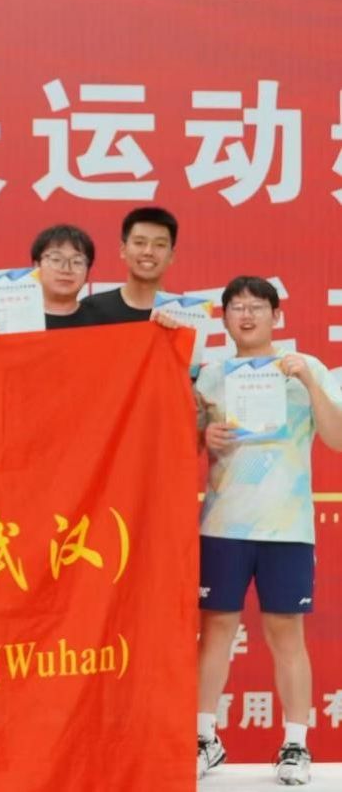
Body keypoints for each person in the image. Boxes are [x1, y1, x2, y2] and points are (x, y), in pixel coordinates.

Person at [193, 276, 342, 786]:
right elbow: (183, 440)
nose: (247, 315)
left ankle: (296, 744)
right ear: (224, 317)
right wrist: (204, 434)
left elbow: (337, 439)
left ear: (276, 315)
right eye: (237, 307)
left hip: (287, 526)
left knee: (285, 633)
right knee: (216, 628)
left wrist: (309, 383)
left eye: (257, 306)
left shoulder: (305, 367)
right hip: (223, 523)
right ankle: (204, 739)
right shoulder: (211, 376)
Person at [80, 206, 176, 324]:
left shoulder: (185, 314)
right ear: (123, 250)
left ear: (171, 255)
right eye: (139, 242)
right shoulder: (91, 309)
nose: (148, 252)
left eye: (160, 244)